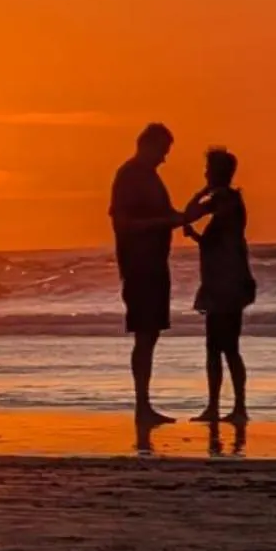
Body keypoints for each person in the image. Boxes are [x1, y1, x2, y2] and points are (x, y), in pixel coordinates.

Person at [109, 122, 188, 425]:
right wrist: (166, 223)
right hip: (139, 266)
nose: (164, 158)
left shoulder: (151, 178)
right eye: (163, 151)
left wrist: (186, 217)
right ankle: (141, 405)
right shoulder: (129, 176)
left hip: (155, 264)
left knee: (150, 335)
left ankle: (145, 404)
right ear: (148, 145)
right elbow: (124, 224)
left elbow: (167, 216)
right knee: (144, 335)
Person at [182, 147, 255, 424]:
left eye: (208, 170)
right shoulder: (227, 201)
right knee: (218, 347)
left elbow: (189, 214)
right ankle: (220, 406)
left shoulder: (226, 200)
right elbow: (215, 241)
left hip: (228, 285)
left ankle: (235, 407)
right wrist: (197, 238)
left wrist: (202, 192)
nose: (205, 174)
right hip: (221, 284)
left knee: (225, 348)